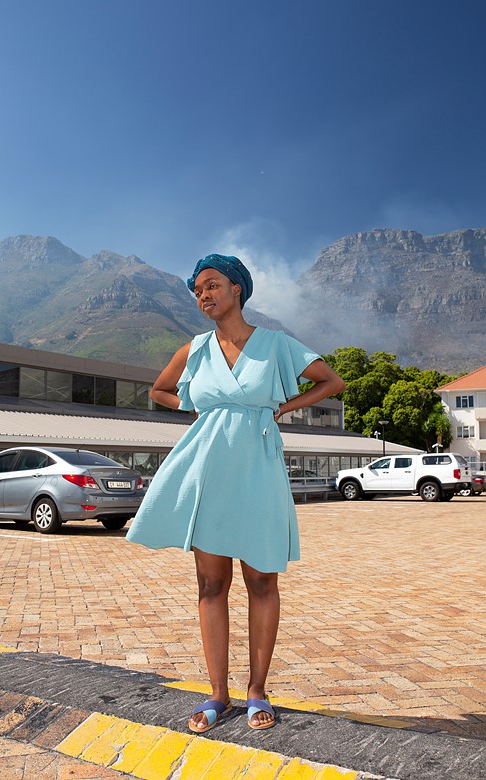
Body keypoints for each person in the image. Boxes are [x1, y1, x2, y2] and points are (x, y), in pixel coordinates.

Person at [126, 254, 345, 733]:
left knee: (262, 581)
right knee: (211, 585)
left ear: (237, 289)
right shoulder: (194, 350)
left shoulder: (275, 345)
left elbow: (332, 381)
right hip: (208, 467)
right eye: (197, 290)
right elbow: (160, 391)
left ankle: (257, 691)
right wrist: (201, 406)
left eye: (212, 285)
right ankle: (218, 695)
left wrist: (281, 408)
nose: (204, 295)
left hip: (258, 468)